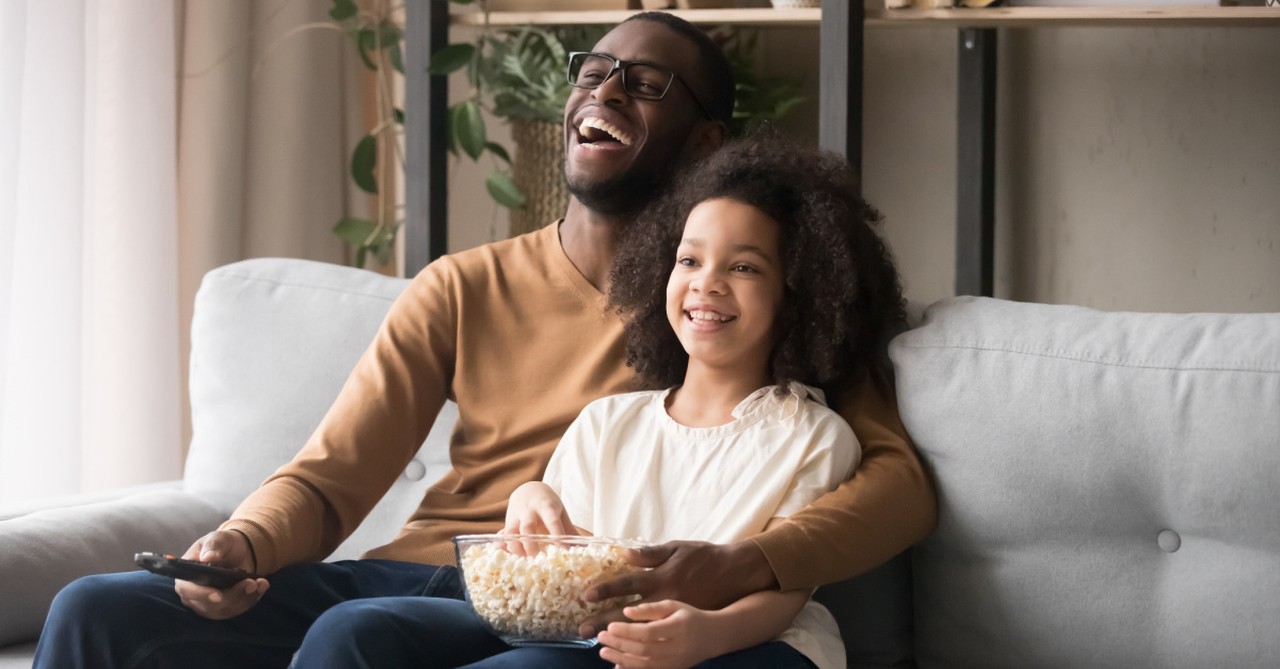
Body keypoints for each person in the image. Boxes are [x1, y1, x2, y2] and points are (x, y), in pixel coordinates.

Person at [33, 12, 936, 668]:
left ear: (706, 142)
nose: (605, 88)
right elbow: (327, 476)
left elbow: (895, 487)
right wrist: (241, 542)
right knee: (94, 609)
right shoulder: (463, 285)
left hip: (582, 608)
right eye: (593, 69)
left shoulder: (761, 316)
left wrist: (741, 565)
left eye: (646, 82)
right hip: (415, 579)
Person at [387, 132, 907, 669]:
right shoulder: (608, 420)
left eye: (744, 267)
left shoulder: (811, 436)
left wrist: (706, 634)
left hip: (744, 646)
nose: (708, 284)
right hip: (588, 630)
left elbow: (786, 589)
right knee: (357, 628)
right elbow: (570, 559)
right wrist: (529, 497)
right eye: (689, 261)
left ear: (800, 294)